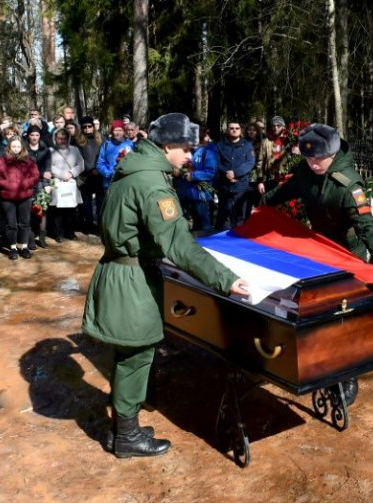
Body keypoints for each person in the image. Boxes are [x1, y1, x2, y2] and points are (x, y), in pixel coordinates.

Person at [82, 112, 249, 458]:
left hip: (121, 272)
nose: (191, 155)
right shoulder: (152, 184)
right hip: (132, 279)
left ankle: (123, 427)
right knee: (137, 355)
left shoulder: (135, 170)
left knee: (128, 353)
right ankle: (126, 437)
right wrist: (227, 279)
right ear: (168, 145)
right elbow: (180, 244)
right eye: (187, 148)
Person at [260, 123, 373, 276]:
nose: (313, 164)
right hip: (320, 245)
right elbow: (284, 191)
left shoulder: (349, 185)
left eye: (319, 158)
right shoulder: (305, 173)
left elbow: (366, 224)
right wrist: (261, 204)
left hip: (347, 251)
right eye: (309, 158)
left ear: (332, 154)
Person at [0, 137, 40, 260]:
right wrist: (7, 185)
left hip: (25, 196)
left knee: (24, 223)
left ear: (22, 148)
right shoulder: (1, 161)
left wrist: (26, 184)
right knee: (11, 224)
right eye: (13, 146)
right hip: (7, 197)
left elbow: (35, 176)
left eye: (18, 146)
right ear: (9, 147)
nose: (16, 149)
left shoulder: (29, 161)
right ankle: (12, 248)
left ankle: (24, 247)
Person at [174, 127, 216, 231]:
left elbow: (210, 173)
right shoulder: (187, 151)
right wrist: (178, 171)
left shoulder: (207, 152)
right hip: (187, 193)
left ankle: (206, 245)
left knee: (203, 224)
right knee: (194, 225)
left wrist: (193, 175)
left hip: (200, 194)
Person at [214, 121, 255, 230]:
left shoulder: (247, 146)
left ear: (240, 131)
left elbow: (250, 163)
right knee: (224, 218)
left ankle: (239, 242)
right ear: (227, 130)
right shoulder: (220, 145)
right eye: (231, 128)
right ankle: (225, 243)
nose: (234, 130)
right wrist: (226, 173)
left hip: (241, 187)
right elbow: (216, 162)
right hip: (225, 187)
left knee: (240, 218)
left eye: (237, 128)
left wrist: (235, 173)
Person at [48, 128, 84, 241]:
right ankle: (58, 234)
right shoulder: (50, 151)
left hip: (71, 183)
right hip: (57, 183)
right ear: (55, 139)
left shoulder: (75, 150)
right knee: (57, 210)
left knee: (71, 209)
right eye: (59, 138)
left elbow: (81, 164)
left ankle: (70, 232)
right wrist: (61, 174)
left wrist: (71, 173)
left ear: (68, 139)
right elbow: (49, 166)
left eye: (64, 138)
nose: (62, 140)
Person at [25, 125, 52, 248]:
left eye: (37, 135)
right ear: (28, 136)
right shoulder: (23, 150)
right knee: (29, 211)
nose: (34, 137)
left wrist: (47, 184)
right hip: (28, 184)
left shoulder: (45, 150)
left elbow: (48, 169)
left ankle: (42, 238)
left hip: (42, 184)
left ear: (40, 136)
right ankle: (30, 238)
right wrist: (41, 174)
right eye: (32, 135)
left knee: (42, 211)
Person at [75, 115, 103, 233]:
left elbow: (103, 155)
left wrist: (98, 169)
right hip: (84, 176)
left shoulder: (101, 139)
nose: (87, 129)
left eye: (89, 126)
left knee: (100, 202)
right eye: (84, 127)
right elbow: (78, 158)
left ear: (93, 127)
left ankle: (100, 224)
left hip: (98, 174)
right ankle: (89, 224)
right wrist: (86, 170)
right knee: (86, 203)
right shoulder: (78, 141)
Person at [95, 119, 133, 190]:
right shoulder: (106, 145)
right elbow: (100, 163)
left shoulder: (130, 144)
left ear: (124, 131)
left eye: (120, 130)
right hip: (109, 183)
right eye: (115, 130)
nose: (118, 133)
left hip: (126, 182)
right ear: (112, 131)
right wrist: (109, 174)